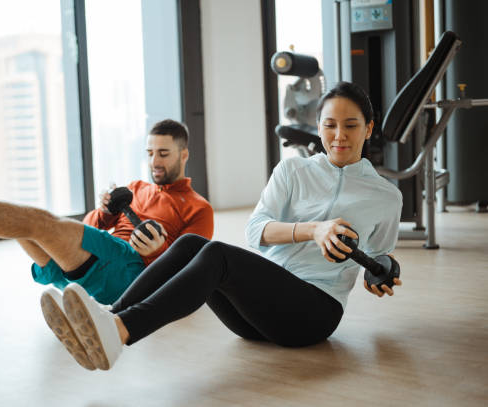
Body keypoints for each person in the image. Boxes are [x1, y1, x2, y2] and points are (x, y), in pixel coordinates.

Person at [34, 81, 404, 371]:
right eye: (330, 125)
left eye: (351, 125)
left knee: (218, 255)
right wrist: (313, 229)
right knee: (193, 243)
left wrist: (379, 275)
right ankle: (110, 316)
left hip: (311, 315)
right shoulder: (293, 170)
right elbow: (256, 229)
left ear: (369, 127)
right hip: (256, 312)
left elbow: (376, 257)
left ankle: (119, 331)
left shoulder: (385, 196)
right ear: (318, 127)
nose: (339, 135)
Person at [0, 119, 213, 370]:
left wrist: (155, 252)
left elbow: (189, 271)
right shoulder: (137, 187)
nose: (155, 160)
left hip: (129, 272)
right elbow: (88, 228)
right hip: (98, 260)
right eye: (150, 152)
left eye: (164, 153)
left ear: (184, 154)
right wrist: (105, 212)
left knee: (36, 221)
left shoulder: (198, 207)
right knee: (19, 224)